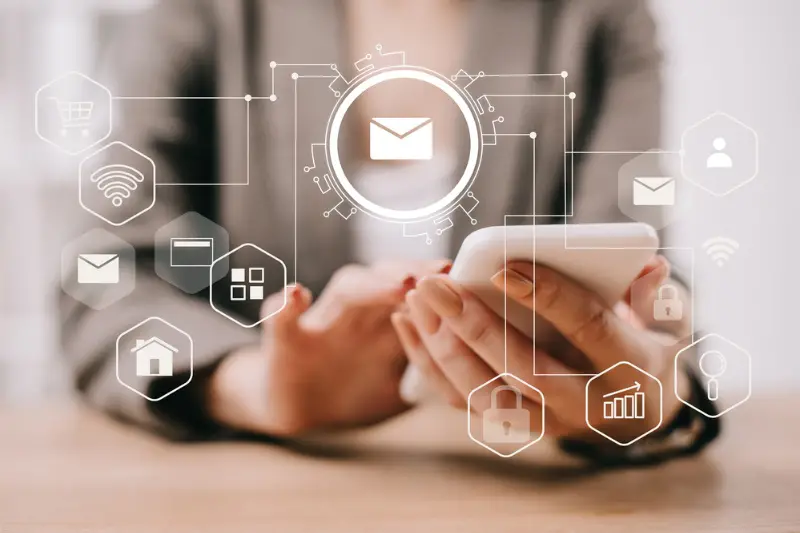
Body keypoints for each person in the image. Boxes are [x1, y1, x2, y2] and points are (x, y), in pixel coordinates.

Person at [61, 0, 718, 464]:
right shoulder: (203, 12)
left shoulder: (600, 15)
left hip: (517, 483)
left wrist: (654, 393)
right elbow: (105, 273)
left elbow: (638, 268)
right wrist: (252, 385)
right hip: (267, 483)